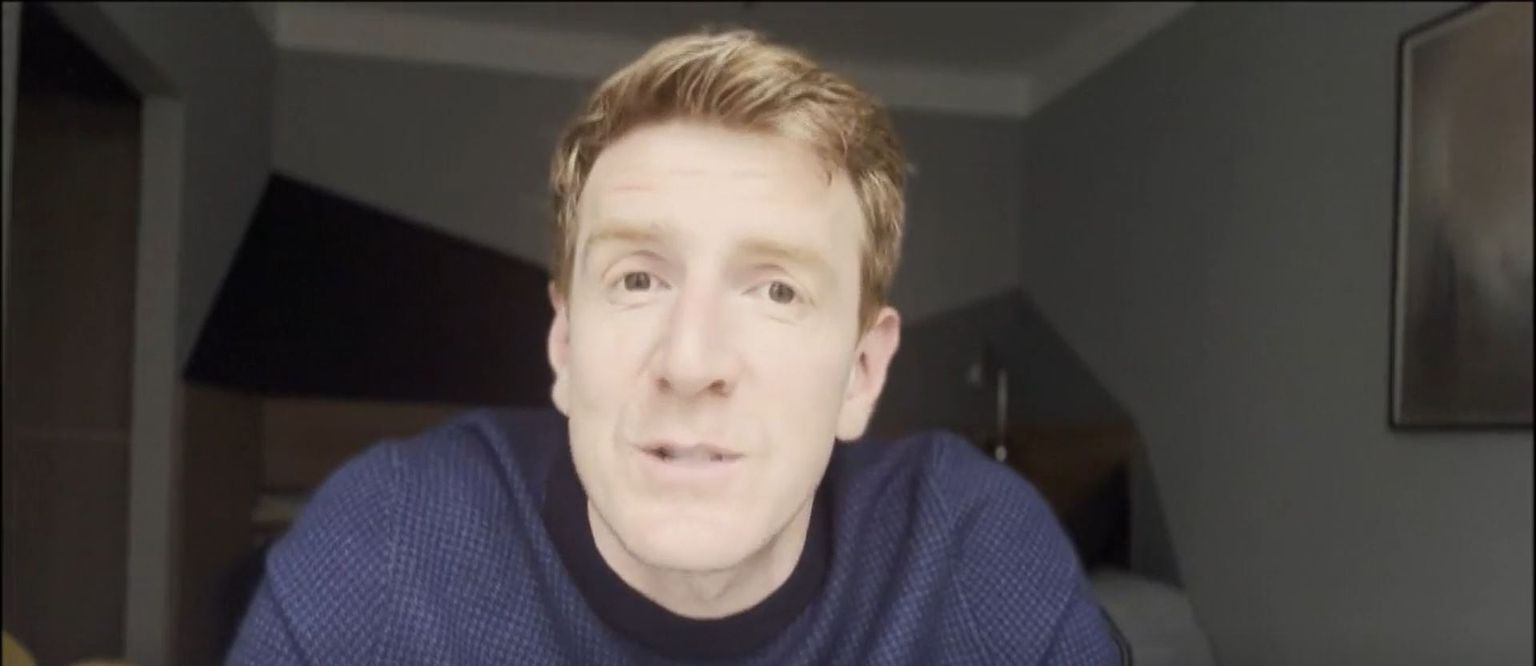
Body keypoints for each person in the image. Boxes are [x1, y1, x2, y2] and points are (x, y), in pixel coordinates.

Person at [228, 28, 1121, 665]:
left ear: (861, 373)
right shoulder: (385, 552)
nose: (691, 363)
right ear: (564, 343)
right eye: (637, 280)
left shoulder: (976, 561)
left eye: (777, 290)